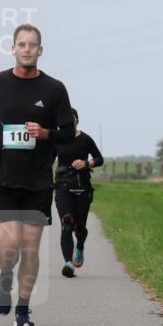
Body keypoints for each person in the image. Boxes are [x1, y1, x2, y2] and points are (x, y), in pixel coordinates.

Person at [0, 24, 74, 326]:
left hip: (39, 182)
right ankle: (5, 278)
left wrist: (46, 133)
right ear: (13, 48)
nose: (27, 49)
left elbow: (68, 132)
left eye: (33, 45)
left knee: (30, 249)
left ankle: (23, 308)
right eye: (22, 44)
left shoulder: (55, 89)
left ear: (41, 50)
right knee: (10, 247)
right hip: (4, 178)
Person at [54, 108, 103, 278]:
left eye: (71, 119)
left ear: (76, 120)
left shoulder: (85, 139)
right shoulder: (56, 139)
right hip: (62, 186)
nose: (68, 123)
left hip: (82, 186)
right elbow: (45, 160)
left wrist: (87, 163)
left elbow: (99, 158)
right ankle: (68, 263)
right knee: (67, 222)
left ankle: (80, 245)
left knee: (79, 226)